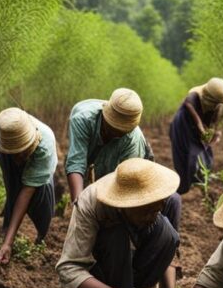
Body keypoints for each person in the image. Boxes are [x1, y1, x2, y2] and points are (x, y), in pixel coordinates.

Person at [56, 158, 181, 288]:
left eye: (156, 210)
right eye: (145, 211)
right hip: (100, 268)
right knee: (115, 234)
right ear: (124, 205)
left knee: (168, 234)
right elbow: (69, 270)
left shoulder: (166, 199)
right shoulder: (91, 202)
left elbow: (170, 253)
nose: (151, 217)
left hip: (134, 268)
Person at [65, 88, 181, 231]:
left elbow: (124, 186)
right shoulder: (83, 119)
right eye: (113, 128)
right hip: (94, 158)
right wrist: (78, 204)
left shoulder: (133, 140)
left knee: (134, 208)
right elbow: (76, 162)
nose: (117, 133)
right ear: (106, 117)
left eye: (122, 131)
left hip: (131, 171)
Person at [0, 107, 58, 265]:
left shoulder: (44, 148)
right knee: (13, 191)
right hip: (9, 149)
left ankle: (41, 235)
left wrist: (7, 244)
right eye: (15, 154)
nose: (18, 159)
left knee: (42, 201)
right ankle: (7, 228)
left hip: (38, 160)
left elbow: (26, 192)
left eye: (22, 153)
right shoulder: (4, 130)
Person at [170, 78, 223, 195]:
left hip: (198, 129)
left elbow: (212, 125)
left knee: (203, 155)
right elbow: (195, 116)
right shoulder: (193, 97)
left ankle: (198, 184)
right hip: (183, 125)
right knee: (185, 155)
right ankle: (184, 188)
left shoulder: (218, 107)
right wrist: (201, 129)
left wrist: (214, 135)